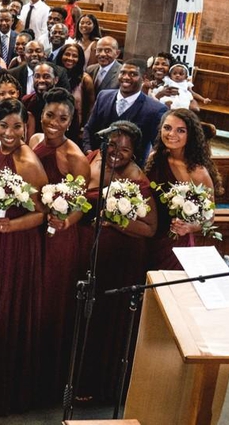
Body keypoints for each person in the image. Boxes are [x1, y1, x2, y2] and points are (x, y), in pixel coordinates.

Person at [0, 99, 49, 414]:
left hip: (13, 244)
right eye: (4, 125)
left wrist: (12, 223)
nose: (9, 132)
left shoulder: (28, 162)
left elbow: (42, 213)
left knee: (2, 308)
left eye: (16, 126)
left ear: (26, 126)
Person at [76, 121, 156, 401]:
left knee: (104, 318)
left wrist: (114, 220)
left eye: (124, 149)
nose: (116, 152)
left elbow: (149, 227)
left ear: (134, 152)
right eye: (112, 145)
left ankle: (100, 386)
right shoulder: (92, 159)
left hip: (120, 259)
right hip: (89, 251)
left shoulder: (137, 179)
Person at [28, 88, 91, 395]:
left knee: (51, 301)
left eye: (62, 118)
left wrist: (66, 220)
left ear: (71, 120)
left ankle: (48, 375)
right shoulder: (35, 141)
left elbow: (81, 204)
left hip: (59, 237)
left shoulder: (75, 157)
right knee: (31, 297)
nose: (54, 122)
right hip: (32, 230)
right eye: (49, 115)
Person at [144, 108, 222, 271]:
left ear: (190, 135)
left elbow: (210, 217)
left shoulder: (198, 173)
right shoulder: (155, 157)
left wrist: (190, 226)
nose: (171, 134)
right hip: (147, 235)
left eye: (180, 130)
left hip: (173, 241)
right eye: (167, 128)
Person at [82, 59, 167, 164]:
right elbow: (89, 129)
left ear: (144, 78)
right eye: (123, 73)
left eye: (133, 74)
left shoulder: (155, 109)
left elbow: (158, 146)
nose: (126, 77)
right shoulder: (103, 96)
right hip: (98, 164)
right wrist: (90, 152)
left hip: (131, 172)